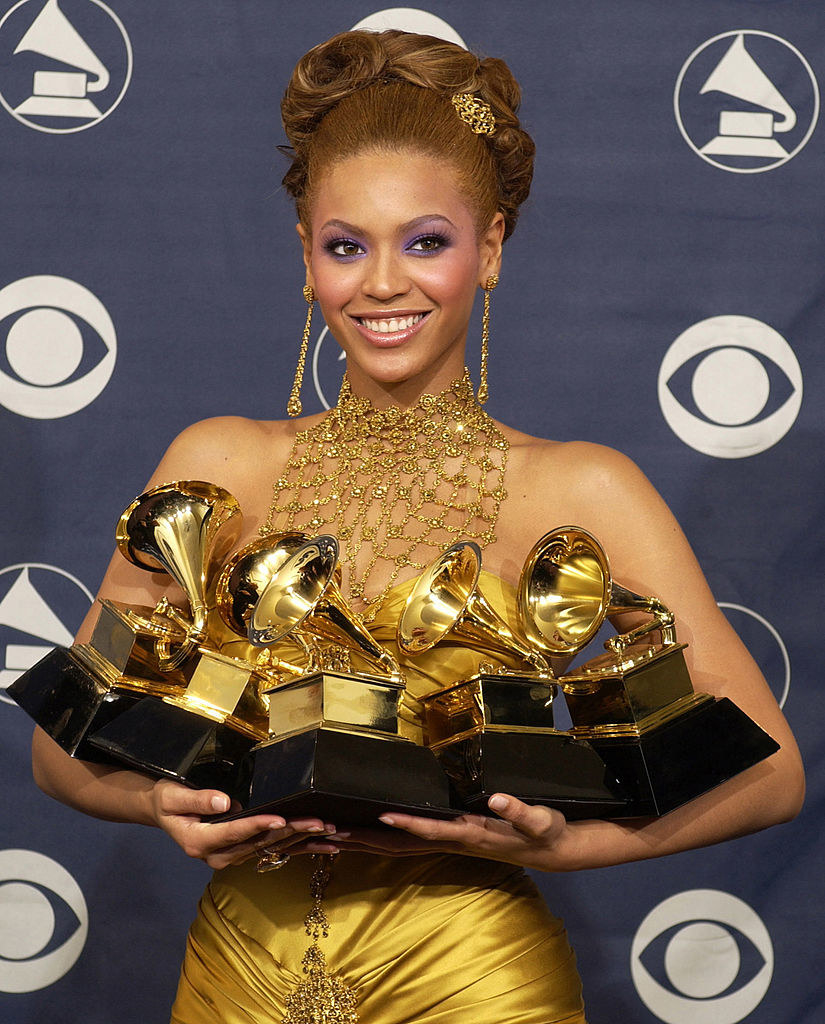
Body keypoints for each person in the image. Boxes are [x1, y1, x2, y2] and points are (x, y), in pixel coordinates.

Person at [29, 28, 803, 1024]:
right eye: (345, 245)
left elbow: (771, 775)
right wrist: (154, 803)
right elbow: (62, 751)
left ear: (491, 248)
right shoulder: (218, 465)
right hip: (235, 979)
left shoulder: (581, 489)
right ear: (307, 261)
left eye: (425, 241)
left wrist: (565, 845)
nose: (382, 283)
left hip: (473, 980)